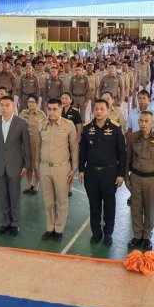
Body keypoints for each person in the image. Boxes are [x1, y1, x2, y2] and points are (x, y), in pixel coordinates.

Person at [79, 99, 126, 245]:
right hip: (91, 173)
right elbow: (83, 152)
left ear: (107, 111)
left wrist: (121, 174)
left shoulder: (115, 128)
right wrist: (81, 169)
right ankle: (96, 233)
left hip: (109, 173)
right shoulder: (87, 128)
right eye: (96, 109)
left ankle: (108, 233)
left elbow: (122, 153)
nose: (98, 112)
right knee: (94, 205)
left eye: (101, 109)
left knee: (109, 205)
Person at [0, 96, 32, 236]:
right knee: (2, 195)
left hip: (15, 165)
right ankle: (5, 222)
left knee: (14, 195)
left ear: (14, 107)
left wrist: (26, 165)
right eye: (2, 105)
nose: (4, 108)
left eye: (7, 105)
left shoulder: (21, 123)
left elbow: (26, 146)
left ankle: (15, 223)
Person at [125, 111, 154, 251]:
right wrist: (126, 177)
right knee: (136, 208)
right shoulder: (132, 137)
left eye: (146, 121)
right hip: (136, 178)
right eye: (141, 121)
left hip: (152, 179)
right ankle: (137, 235)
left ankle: (147, 237)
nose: (143, 124)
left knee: (149, 208)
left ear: (152, 123)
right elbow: (127, 159)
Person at [38, 98, 79, 242]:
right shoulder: (42, 124)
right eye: (49, 109)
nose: (51, 112)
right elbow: (38, 147)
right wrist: (38, 166)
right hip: (44, 167)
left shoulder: (68, 125)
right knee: (48, 200)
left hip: (61, 167)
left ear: (61, 109)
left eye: (55, 109)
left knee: (61, 200)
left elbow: (74, 147)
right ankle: (50, 227)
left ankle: (59, 229)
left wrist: (74, 168)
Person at [19, 94, 46, 195]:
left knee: (37, 167)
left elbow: (45, 129)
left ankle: (36, 184)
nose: (30, 104)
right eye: (29, 102)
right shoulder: (23, 113)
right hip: (25, 144)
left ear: (36, 103)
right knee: (28, 166)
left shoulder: (41, 114)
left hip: (37, 145)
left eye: (33, 102)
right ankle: (29, 184)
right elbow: (19, 127)